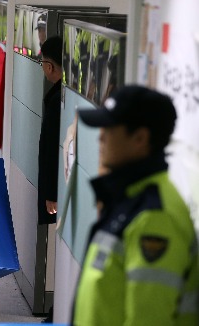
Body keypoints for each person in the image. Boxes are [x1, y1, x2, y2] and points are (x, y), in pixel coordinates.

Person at [73, 85, 199, 325]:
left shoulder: (155, 215)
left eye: (109, 128)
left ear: (140, 138)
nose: (100, 136)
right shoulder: (131, 200)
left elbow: (148, 319)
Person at [37, 36, 62, 226]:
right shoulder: (63, 93)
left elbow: (53, 147)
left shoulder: (57, 101)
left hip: (57, 188)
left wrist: (51, 193)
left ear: (49, 66)